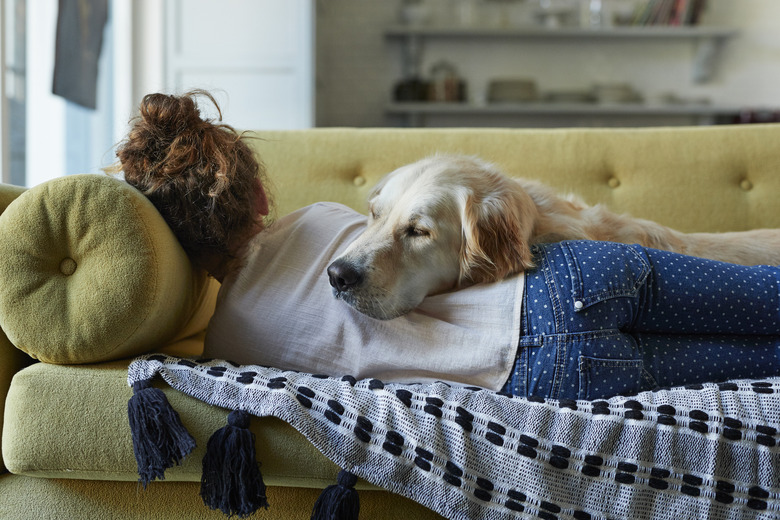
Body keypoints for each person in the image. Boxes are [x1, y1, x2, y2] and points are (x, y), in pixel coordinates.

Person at [116, 91, 780, 401]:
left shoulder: (230, 347)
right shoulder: (318, 221)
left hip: (544, 377)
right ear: (259, 194)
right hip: (574, 277)